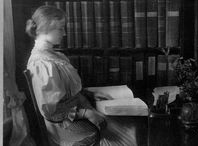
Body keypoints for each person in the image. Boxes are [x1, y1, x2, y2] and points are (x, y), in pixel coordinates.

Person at [26, 5, 137, 146]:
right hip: (62, 124)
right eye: (60, 28)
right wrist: (86, 114)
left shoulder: (56, 56)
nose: (64, 33)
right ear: (46, 28)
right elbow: (51, 112)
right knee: (110, 135)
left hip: (76, 112)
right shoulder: (41, 63)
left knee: (129, 127)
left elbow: (66, 92)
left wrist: (89, 94)